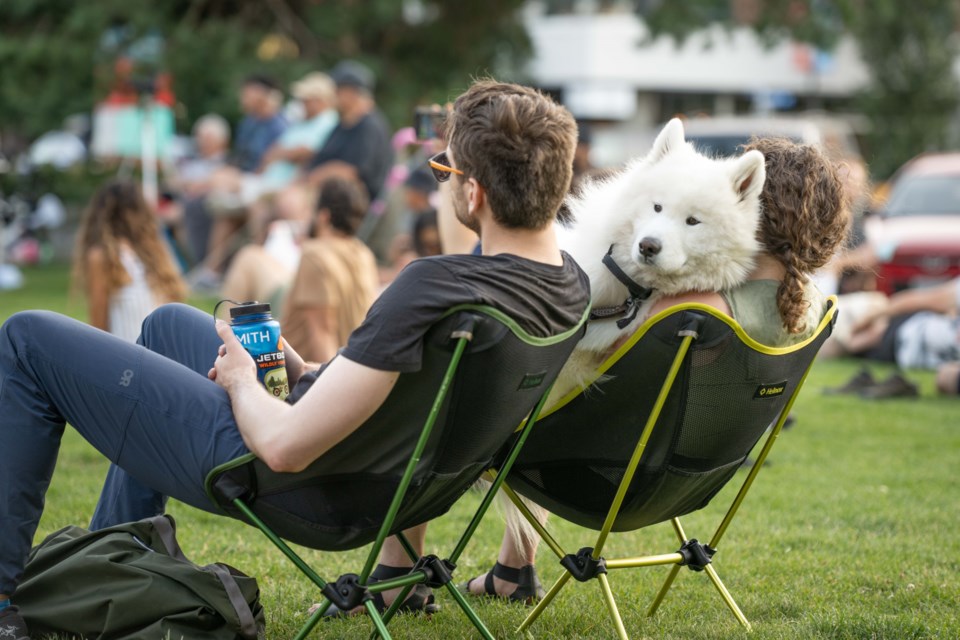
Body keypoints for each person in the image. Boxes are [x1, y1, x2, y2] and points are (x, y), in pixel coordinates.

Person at [0, 79, 589, 636]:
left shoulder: (434, 287)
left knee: (26, 337)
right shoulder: (570, 291)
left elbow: (285, 448)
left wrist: (240, 381)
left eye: (444, 169)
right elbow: (424, 403)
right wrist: (310, 374)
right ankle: (112, 564)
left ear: (474, 192)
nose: (441, 181)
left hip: (296, 481)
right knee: (168, 324)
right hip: (386, 481)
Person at [463, 135, 851, 603]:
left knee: (453, 377)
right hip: (687, 481)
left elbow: (598, 370)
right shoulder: (808, 311)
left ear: (753, 208)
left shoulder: (695, 309)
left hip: (595, 465)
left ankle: (395, 568)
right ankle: (512, 568)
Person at [71, 179, 187, 343]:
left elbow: (99, 323)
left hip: (130, 355)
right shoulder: (156, 250)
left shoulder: (102, 256)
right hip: (166, 352)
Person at [280, 176, 379, 363]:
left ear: (323, 216)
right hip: (350, 364)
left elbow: (322, 332)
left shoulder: (314, 254)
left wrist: (325, 387)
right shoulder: (363, 253)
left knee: (249, 257)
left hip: (303, 370)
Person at [822, 276, 960, 398]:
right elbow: (918, 300)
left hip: (896, 351)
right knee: (837, 332)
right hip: (898, 322)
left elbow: (945, 379)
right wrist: (872, 318)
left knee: (841, 344)